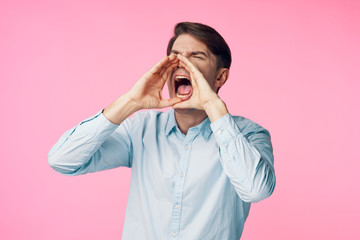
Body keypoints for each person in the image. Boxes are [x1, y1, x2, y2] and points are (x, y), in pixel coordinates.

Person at [48, 22, 276, 240]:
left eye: (196, 56)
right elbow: (63, 160)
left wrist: (214, 106)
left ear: (220, 77)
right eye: (176, 57)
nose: (183, 64)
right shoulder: (141, 129)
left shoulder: (248, 135)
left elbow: (256, 190)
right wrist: (129, 102)